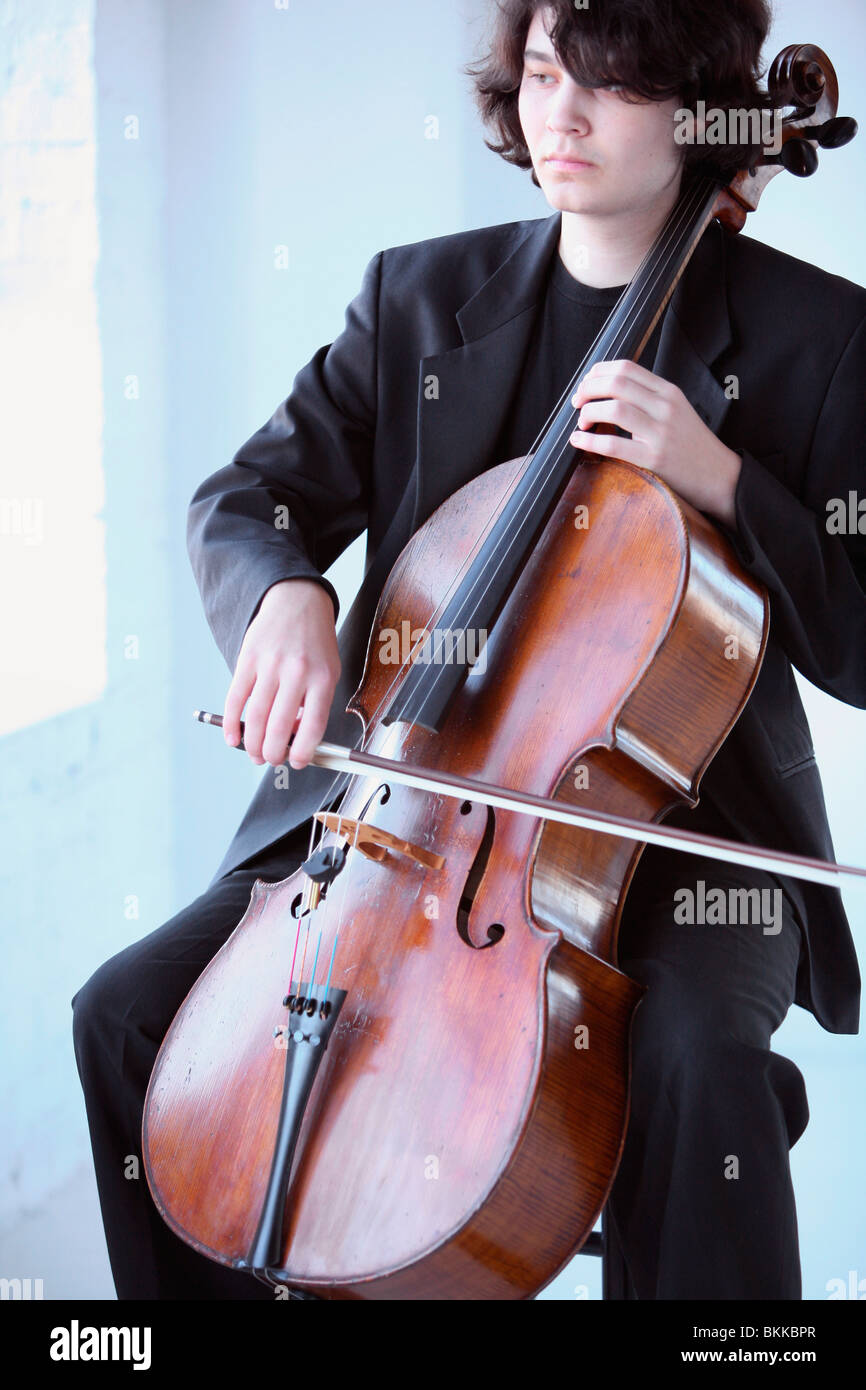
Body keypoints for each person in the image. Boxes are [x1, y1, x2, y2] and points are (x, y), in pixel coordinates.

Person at [72, 0, 865, 1300]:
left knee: (687, 1057)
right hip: (398, 820)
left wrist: (724, 481)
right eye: (546, 72)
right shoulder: (418, 299)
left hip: (678, 831)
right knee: (125, 1012)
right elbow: (245, 500)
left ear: (702, 109)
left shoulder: (817, 341)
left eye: (611, 83)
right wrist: (282, 595)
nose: (562, 113)